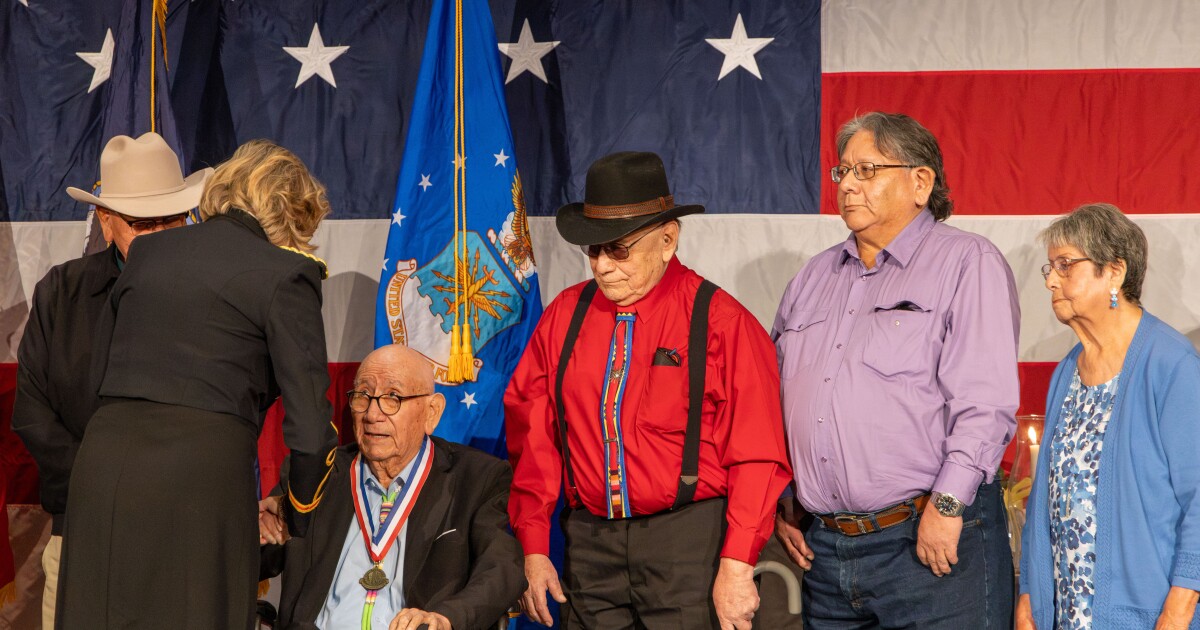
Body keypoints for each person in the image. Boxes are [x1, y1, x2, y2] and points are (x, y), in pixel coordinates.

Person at [56, 139, 339, 629]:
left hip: (103, 471)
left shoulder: (148, 254)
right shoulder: (287, 273)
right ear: (291, 215)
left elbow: (97, 381)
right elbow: (311, 430)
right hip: (201, 482)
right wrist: (298, 517)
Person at [505, 151, 792, 629]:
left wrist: (738, 564)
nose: (601, 265)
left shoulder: (723, 323)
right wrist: (534, 548)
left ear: (666, 240)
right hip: (589, 548)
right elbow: (533, 438)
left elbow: (757, 455)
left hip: (688, 547)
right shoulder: (563, 317)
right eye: (592, 250)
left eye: (617, 249)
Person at [772, 112, 1018, 628]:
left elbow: (985, 404)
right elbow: (779, 399)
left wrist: (947, 509)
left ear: (920, 182)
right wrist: (785, 497)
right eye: (843, 173)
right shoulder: (811, 277)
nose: (849, 186)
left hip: (930, 544)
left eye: (867, 170)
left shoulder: (968, 262)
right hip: (827, 555)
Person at [12, 132, 206, 630]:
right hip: (84, 530)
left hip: (184, 533)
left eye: (171, 219)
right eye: (143, 223)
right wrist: (106, 485)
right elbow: (33, 414)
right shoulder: (62, 291)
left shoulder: (218, 295)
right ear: (105, 220)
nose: (160, 234)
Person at [1017, 203, 1200, 629]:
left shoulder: (1171, 364)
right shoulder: (1067, 370)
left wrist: (1178, 611)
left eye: (1066, 265)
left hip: (1150, 615)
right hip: (1064, 615)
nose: (1050, 280)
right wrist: (1029, 597)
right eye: (1050, 267)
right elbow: (1047, 497)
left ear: (1114, 271)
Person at [258, 344, 526, 630]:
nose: (372, 414)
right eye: (363, 396)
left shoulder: (476, 478)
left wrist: (445, 619)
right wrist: (255, 530)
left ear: (431, 412)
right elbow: (248, 564)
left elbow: (501, 569)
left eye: (393, 397)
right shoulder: (316, 474)